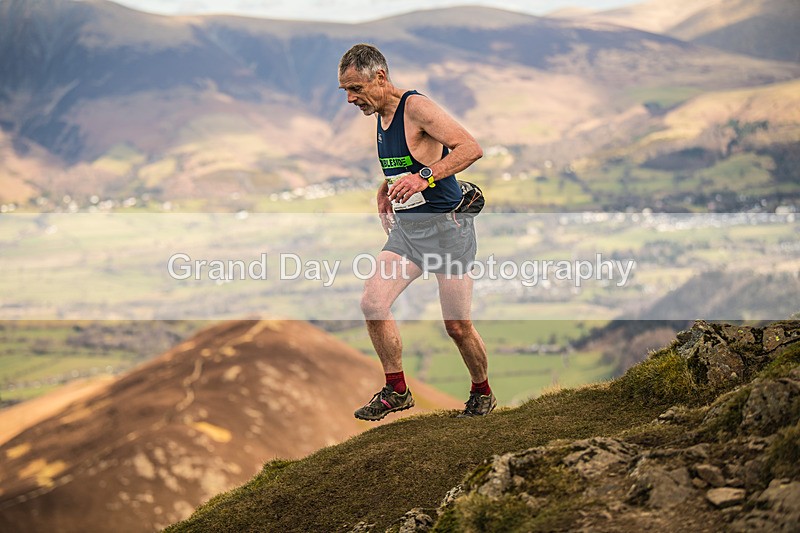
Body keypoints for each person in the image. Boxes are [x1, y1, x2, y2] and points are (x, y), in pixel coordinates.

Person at [337, 43, 496, 420]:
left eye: (355, 88)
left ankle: (482, 391)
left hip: (447, 230)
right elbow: (408, 161)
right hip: (408, 232)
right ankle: (397, 390)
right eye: (345, 90)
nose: (349, 98)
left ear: (380, 77)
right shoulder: (380, 113)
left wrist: (424, 178)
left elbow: (469, 148)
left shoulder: (416, 107)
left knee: (457, 326)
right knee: (373, 303)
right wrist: (387, 186)